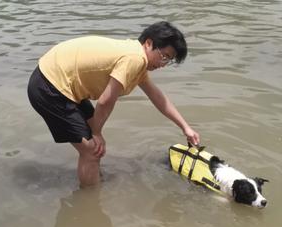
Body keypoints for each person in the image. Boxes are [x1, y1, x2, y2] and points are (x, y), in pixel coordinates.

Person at [27, 21, 200, 187]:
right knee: (92, 150)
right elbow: (105, 100)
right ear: (148, 43)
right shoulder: (135, 58)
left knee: (95, 148)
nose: (163, 64)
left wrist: (185, 127)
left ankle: (93, 183)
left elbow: (158, 97)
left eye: (168, 61)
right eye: (164, 57)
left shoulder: (136, 58)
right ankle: (90, 203)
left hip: (62, 83)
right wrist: (96, 132)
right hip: (50, 85)